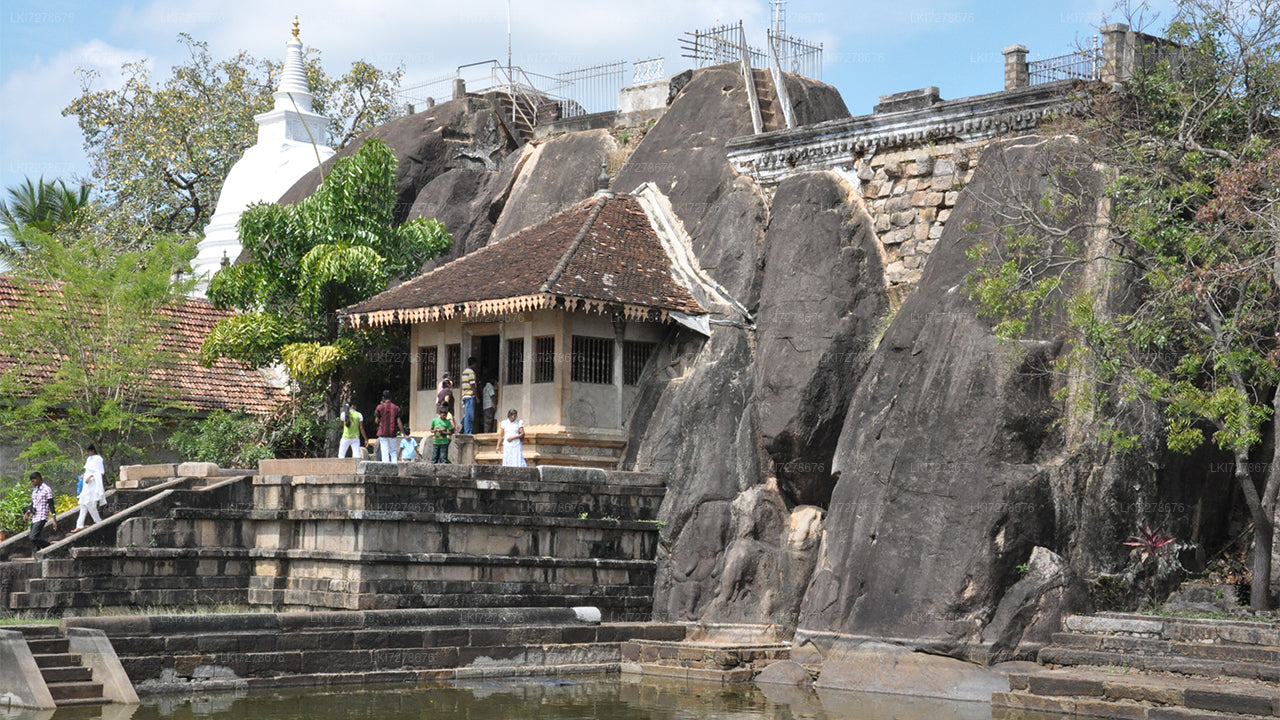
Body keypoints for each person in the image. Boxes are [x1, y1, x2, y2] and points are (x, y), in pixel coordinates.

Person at [72, 444, 107, 533]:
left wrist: (91, 476)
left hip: (93, 485)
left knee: (90, 504)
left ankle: (98, 521)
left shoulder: (98, 459)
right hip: (87, 486)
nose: (88, 453)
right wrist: (84, 475)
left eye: (89, 451)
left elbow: (99, 472)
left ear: (93, 451)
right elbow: (88, 470)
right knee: (83, 504)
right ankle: (79, 525)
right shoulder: (89, 459)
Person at [24, 472, 56, 552]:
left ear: (38, 479)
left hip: (42, 516)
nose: (32, 483)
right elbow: (34, 503)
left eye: (33, 481)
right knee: (34, 541)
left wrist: (54, 520)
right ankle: (37, 558)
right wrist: (29, 511)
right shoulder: (35, 490)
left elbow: (51, 504)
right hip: (35, 517)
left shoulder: (47, 489)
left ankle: (50, 547)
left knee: (33, 537)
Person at [373, 390, 406, 463]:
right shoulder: (396, 408)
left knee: (385, 452)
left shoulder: (380, 407)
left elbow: (376, 421)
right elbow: (399, 421)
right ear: (391, 397)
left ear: (383, 398)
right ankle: (395, 467)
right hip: (392, 433)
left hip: (383, 433)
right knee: (393, 452)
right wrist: (404, 433)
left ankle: (387, 470)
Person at [460, 357, 478, 434]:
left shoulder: (464, 372)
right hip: (470, 396)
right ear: (473, 364)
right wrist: (476, 396)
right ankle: (468, 432)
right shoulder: (471, 373)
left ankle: (462, 428)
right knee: (470, 415)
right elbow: (472, 385)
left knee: (467, 414)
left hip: (465, 395)